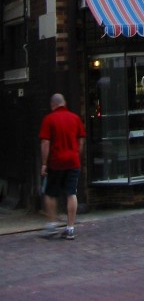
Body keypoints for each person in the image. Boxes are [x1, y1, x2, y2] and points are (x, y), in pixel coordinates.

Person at [39, 93, 86, 240]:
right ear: (64, 103)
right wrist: (77, 154)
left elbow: (45, 143)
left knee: (50, 193)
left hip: (56, 162)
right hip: (73, 161)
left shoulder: (49, 119)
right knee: (71, 193)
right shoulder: (75, 118)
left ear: (52, 105)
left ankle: (52, 225)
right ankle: (70, 228)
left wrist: (44, 163)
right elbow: (81, 139)